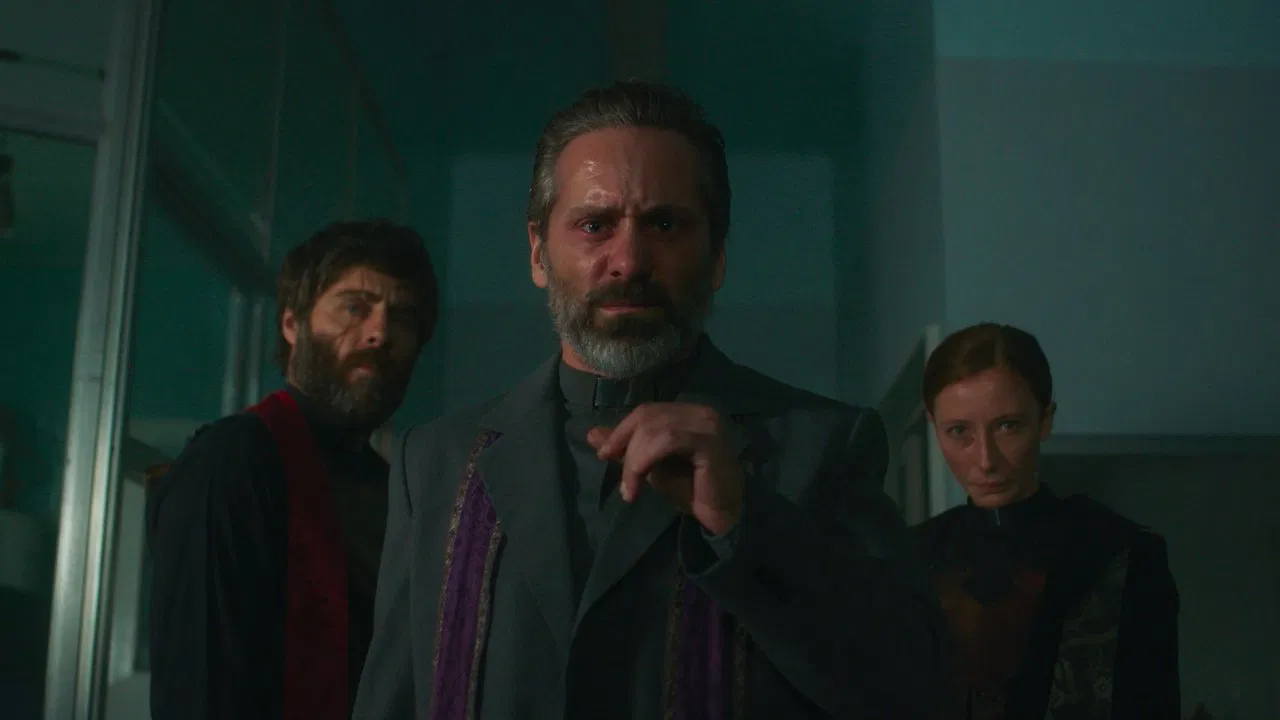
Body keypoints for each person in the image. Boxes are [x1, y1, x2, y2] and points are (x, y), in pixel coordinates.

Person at [353, 81, 944, 720]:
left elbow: (914, 691)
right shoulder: (434, 464)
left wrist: (745, 521)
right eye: (594, 225)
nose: (629, 261)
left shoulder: (822, 447)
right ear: (538, 253)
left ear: (716, 256)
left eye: (664, 224)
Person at [147, 220, 440, 720]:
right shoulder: (233, 459)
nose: (380, 333)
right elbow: (197, 685)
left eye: (403, 317)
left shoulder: (395, 488)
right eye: (355, 307)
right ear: (291, 324)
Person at [912, 322, 1181, 718]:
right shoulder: (908, 560)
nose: (985, 459)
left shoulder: (1122, 554)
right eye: (959, 431)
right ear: (935, 429)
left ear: (1045, 420)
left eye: (1008, 426)